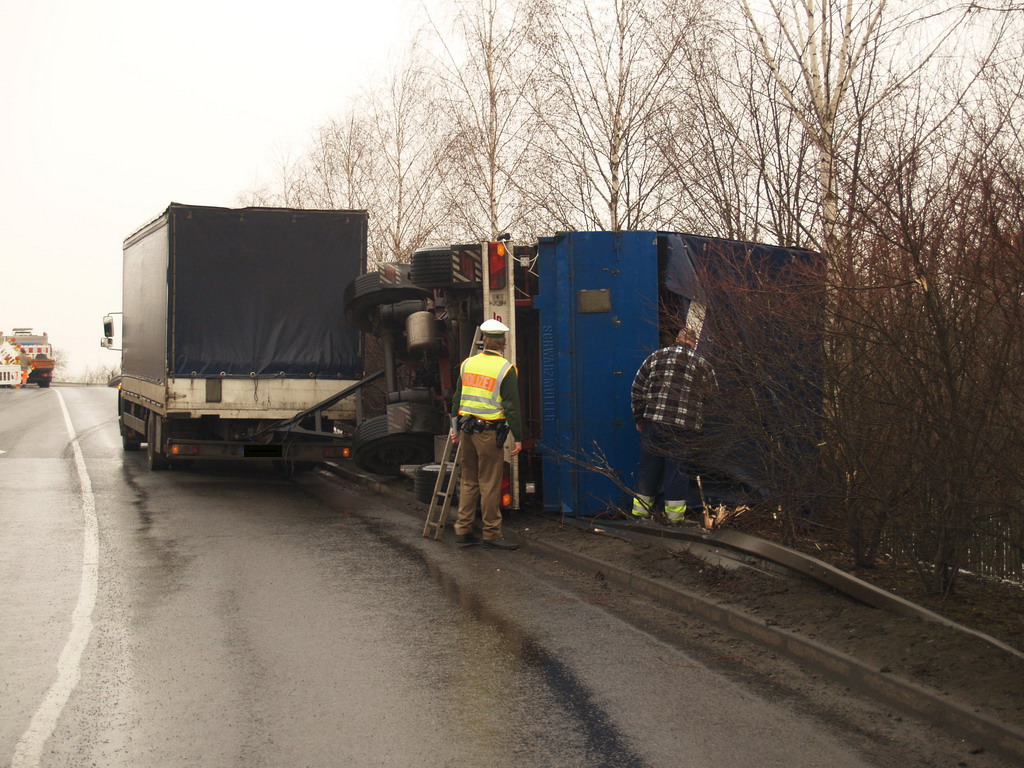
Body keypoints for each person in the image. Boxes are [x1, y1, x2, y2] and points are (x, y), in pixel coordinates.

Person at [630, 326, 716, 524]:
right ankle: (674, 519)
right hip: (684, 428)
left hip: (655, 423)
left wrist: (639, 419)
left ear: (676, 339)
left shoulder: (655, 358)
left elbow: (637, 390)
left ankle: (640, 515)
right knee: (677, 471)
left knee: (648, 469)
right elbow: (712, 399)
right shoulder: (703, 364)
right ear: (694, 343)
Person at [450, 319, 523, 550]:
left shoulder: (467, 364)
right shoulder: (506, 369)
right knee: (489, 483)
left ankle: (463, 530)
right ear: (502, 343)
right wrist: (519, 436)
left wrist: (455, 428)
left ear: (484, 341)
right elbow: (511, 405)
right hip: (489, 434)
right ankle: (492, 533)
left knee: (469, 481)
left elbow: (457, 398)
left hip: (467, 431)